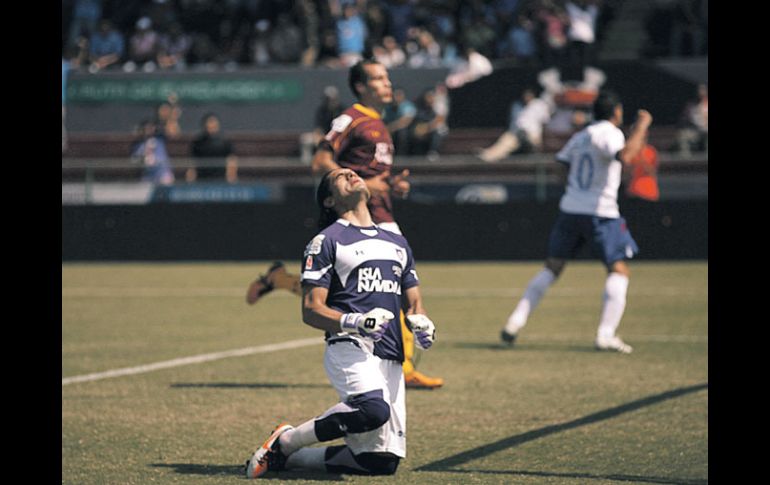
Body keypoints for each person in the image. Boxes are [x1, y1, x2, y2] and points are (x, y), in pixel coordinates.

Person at [246, 59, 444, 390]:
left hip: (379, 212)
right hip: (357, 216)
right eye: (378, 79)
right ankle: (404, 367)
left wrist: (391, 186)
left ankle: (281, 280)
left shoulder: (380, 123)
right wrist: (365, 185)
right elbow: (320, 161)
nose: (387, 83)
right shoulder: (350, 119)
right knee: (385, 289)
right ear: (361, 87)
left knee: (369, 289)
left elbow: (373, 174)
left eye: (386, 77)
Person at [244, 167, 438, 478]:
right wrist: (356, 322)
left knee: (380, 462)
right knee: (373, 410)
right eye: (341, 176)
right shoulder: (326, 241)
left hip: (391, 356)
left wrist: (421, 320)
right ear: (329, 201)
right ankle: (285, 442)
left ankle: (293, 460)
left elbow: (413, 299)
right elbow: (311, 310)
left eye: (352, 173)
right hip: (350, 345)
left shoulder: (397, 242)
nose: (352, 175)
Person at [499, 90, 653, 353]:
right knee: (619, 270)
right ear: (616, 112)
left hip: (571, 209)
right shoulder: (609, 133)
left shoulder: (580, 137)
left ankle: (515, 322)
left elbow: (559, 165)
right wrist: (642, 125)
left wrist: (575, 188)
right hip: (600, 212)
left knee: (552, 267)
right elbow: (626, 156)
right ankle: (606, 334)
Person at [478, 87, 554, 162]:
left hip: (532, 136)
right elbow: (516, 123)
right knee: (506, 140)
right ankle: (488, 156)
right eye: (525, 96)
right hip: (518, 133)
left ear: (533, 96)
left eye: (528, 95)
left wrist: (541, 141)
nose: (526, 97)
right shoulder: (519, 106)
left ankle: (491, 156)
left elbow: (545, 122)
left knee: (517, 138)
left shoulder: (539, 104)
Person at [186, 112, 238, 183]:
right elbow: (192, 163)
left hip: (220, 179)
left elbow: (232, 160)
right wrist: (190, 178)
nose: (211, 126)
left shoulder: (225, 141)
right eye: (209, 123)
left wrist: (231, 176)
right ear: (204, 125)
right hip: (202, 180)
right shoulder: (197, 142)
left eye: (213, 123)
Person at [130, 119, 175, 185]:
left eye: (151, 127)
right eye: (146, 128)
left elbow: (171, 132)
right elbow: (134, 161)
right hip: (147, 177)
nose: (149, 130)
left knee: (166, 179)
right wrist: (144, 156)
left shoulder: (160, 141)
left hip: (163, 175)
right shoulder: (138, 145)